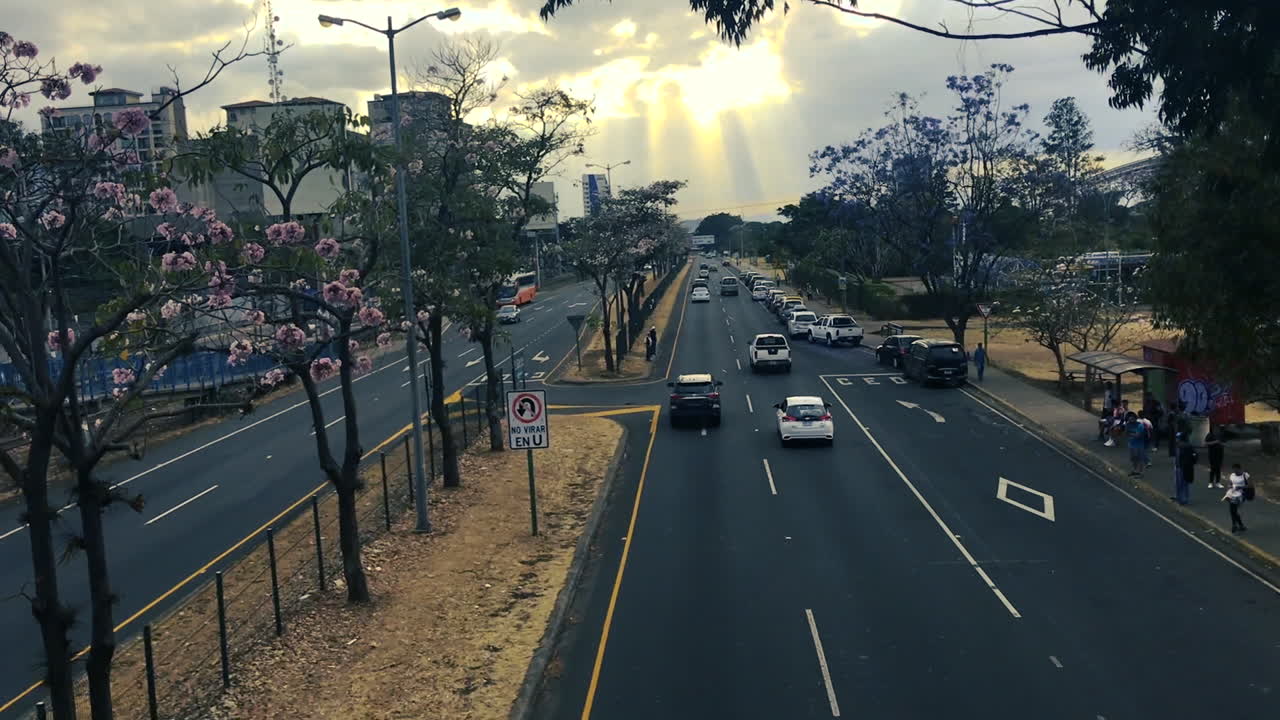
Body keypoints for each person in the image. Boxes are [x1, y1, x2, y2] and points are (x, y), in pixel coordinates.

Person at [1222, 463, 1251, 533]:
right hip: (1233, 494)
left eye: (1236, 470)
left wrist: (1240, 487)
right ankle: (1239, 525)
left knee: (1233, 510)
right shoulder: (1232, 475)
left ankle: (1235, 525)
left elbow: (1250, 486)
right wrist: (1229, 486)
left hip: (1241, 494)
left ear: (1239, 469)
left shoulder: (1245, 475)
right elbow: (1230, 483)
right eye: (1234, 470)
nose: (1235, 472)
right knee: (1233, 510)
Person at [1173, 432, 1197, 505]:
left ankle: (1180, 499)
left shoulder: (1179, 446)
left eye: (1177, 438)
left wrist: (1176, 465)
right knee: (1185, 484)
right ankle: (1185, 498)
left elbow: (1178, 457)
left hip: (1180, 467)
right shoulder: (1190, 445)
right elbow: (1195, 455)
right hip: (1188, 466)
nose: (1176, 439)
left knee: (1179, 483)